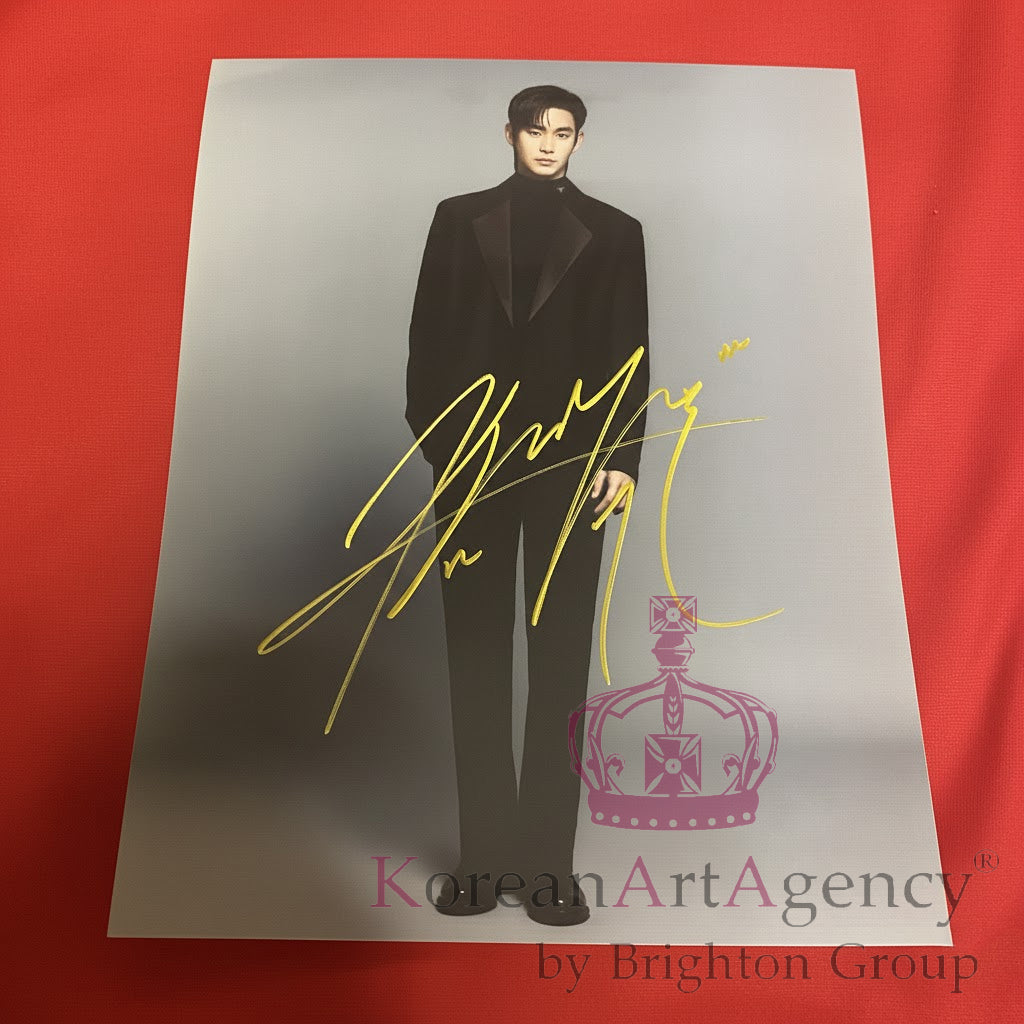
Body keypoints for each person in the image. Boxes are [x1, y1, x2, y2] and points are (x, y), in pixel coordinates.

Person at [405, 85, 649, 926]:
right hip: (472, 463)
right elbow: (427, 339)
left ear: (579, 141)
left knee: (560, 663)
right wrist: (444, 445)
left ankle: (548, 870)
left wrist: (621, 458)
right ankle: (481, 863)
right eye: (535, 130)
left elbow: (629, 348)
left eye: (564, 132)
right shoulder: (457, 219)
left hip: (572, 470)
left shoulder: (616, 232)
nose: (548, 144)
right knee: (476, 655)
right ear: (508, 133)